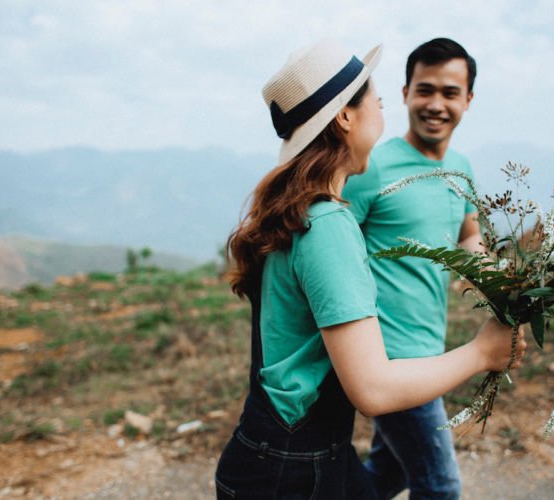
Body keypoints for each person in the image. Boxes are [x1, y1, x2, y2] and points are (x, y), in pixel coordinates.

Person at [215, 39, 525, 499]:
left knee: (385, 476)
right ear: (346, 117)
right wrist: (482, 353)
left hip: (302, 454)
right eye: (376, 101)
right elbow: (374, 390)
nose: (382, 111)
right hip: (290, 471)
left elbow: (467, 235)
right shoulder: (328, 225)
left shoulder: (306, 213)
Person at [342, 37, 482, 499]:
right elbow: (336, 246)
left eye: (449, 92)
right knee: (440, 487)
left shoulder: (461, 169)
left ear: (468, 100)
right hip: (389, 359)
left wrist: (502, 283)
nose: (436, 104)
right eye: (425, 90)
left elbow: (468, 235)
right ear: (404, 93)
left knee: (389, 474)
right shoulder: (373, 167)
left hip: (430, 353)